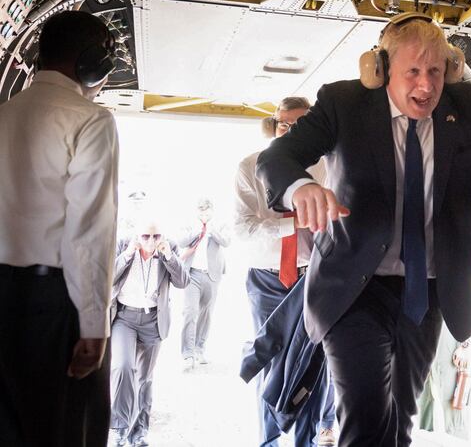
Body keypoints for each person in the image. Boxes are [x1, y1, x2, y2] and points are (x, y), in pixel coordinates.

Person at [257, 12, 471, 447]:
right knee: (364, 417)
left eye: (435, 71)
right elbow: (277, 157)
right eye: (413, 71)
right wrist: (301, 186)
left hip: (426, 293)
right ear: (380, 71)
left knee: (400, 423)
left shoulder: (468, 107)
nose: (426, 85)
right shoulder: (344, 104)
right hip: (354, 289)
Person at [0, 11, 119, 447]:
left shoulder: (3, 114)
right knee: (68, 431)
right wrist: (95, 323)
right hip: (54, 304)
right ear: (93, 64)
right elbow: (89, 231)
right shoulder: (91, 119)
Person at [233, 97, 336, 447]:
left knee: (313, 362)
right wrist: (289, 225)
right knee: (271, 360)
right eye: (283, 125)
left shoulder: (329, 166)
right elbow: (242, 228)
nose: (290, 131)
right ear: (273, 127)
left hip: (314, 275)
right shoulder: (250, 167)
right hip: (267, 277)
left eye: (299, 125)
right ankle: (269, 441)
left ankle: (305, 440)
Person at [108, 221, 190, 447]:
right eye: (145, 236)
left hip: (153, 320)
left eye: (156, 236)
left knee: (144, 378)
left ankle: (139, 432)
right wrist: (127, 255)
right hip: (124, 318)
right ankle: (120, 427)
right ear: (137, 234)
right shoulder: (124, 243)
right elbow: (107, 279)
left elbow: (183, 282)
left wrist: (169, 257)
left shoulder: (168, 247)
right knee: (122, 367)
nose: (151, 242)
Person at [178, 197, 230, 371]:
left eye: (207, 211)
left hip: (212, 275)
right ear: (196, 212)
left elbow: (226, 241)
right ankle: (187, 354)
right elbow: (181, 241)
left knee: (206, 314)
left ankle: (199, 350)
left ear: (212, 211)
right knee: (190, 312)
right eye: (201, 211)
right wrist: (197, 231)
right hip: (191, 274)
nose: (204, 214)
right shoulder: (190, 225)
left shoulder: (220, 225)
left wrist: (211, 231)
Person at [417, 332, 470, 439]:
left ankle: (458, 439)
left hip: (449, 334)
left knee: (453, 401)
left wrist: (463, 343)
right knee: (423, 399)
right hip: (424, 330)